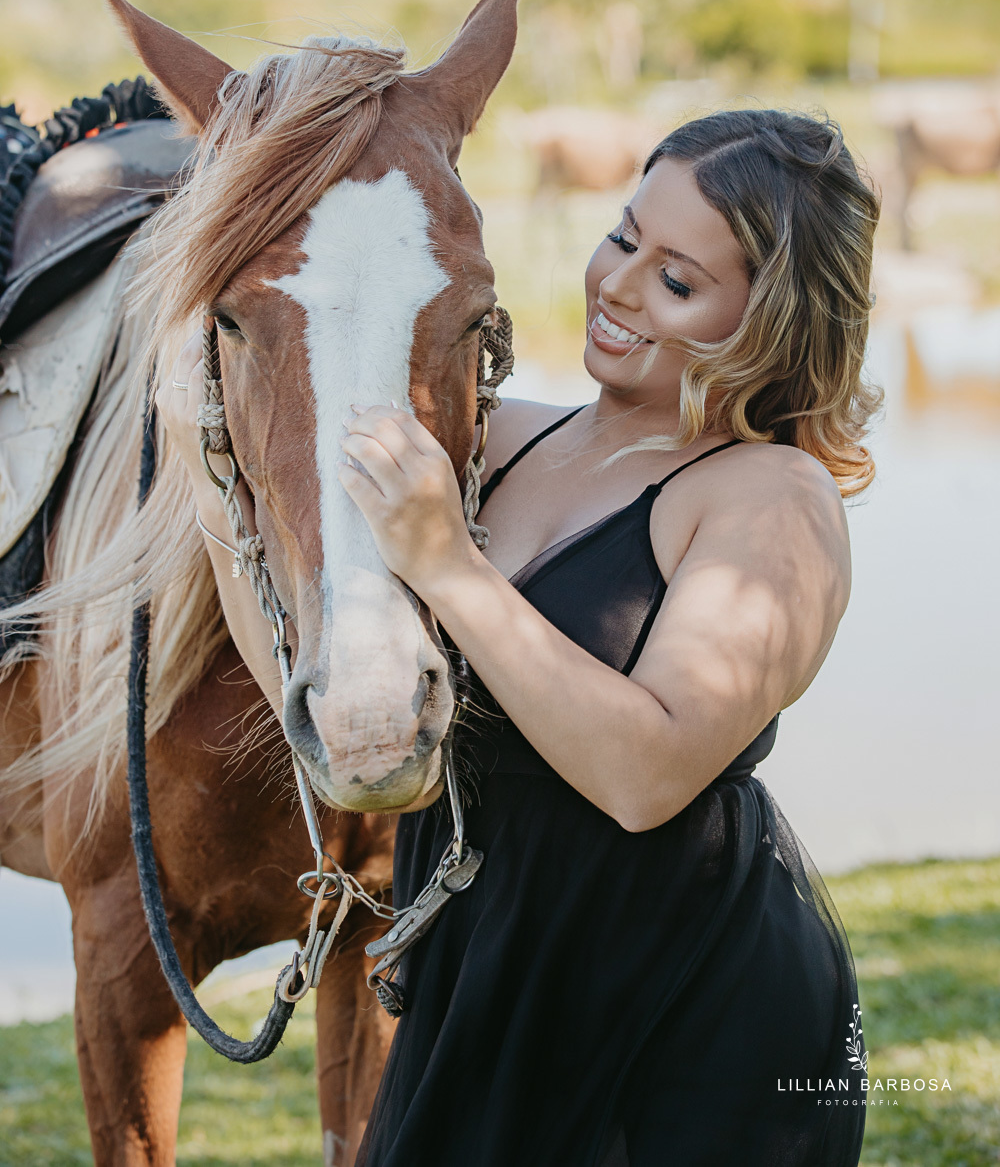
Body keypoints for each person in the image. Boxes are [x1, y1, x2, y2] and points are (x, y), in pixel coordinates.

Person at [163, 108, 879, 1167]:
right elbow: (309, 680)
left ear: (770, 323)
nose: (621, 287)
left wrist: (447, 562)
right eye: (625, 237)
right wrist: (215, 459)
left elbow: (647, 775)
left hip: (673, 1001)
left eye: (678, 280)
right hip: (482, 972)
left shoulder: (772, 500)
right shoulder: (491, 436)